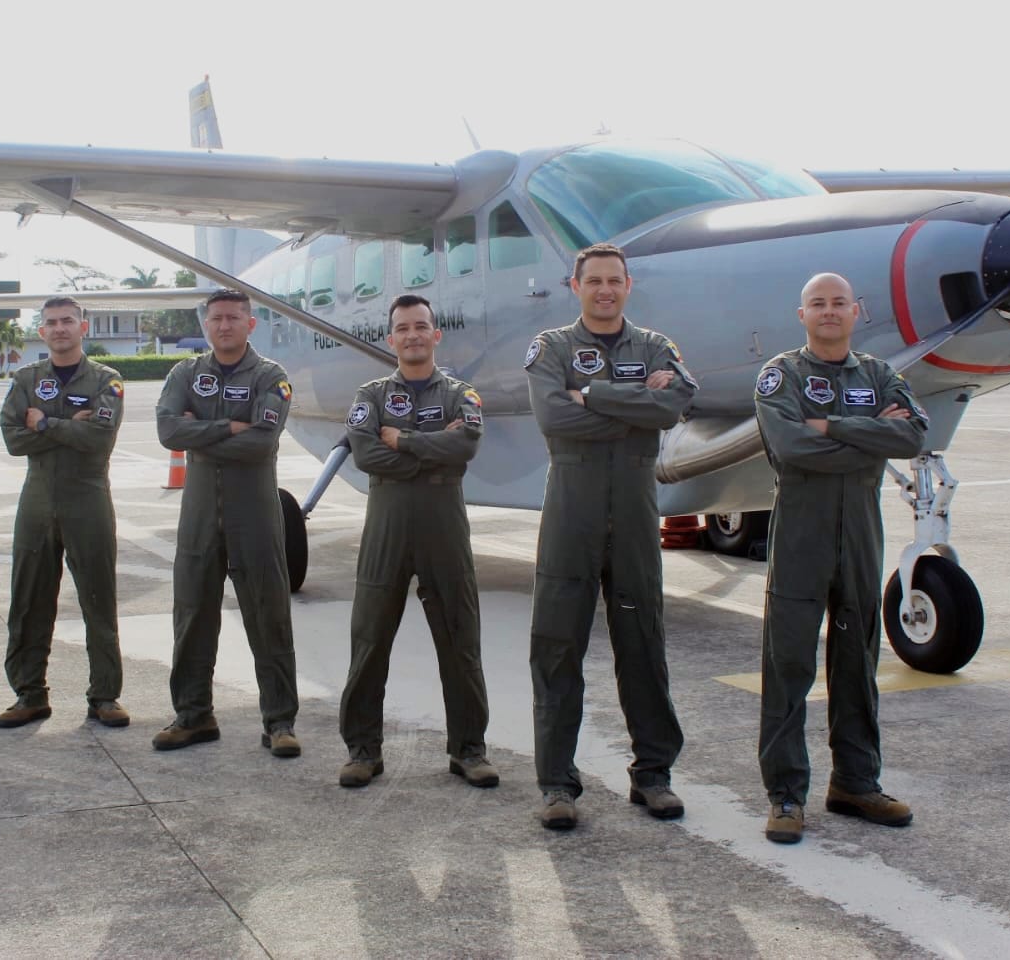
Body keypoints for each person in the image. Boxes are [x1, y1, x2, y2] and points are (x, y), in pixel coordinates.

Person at [525, 243, 695, 829]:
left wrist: (593, 394)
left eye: (614, 281)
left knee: (643, 643)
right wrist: (637, 402)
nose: (604, 290)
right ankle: (557, 784)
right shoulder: (552, 347)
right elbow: (554, 416)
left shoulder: (655, 346)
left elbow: (673, 406)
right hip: (571, 513)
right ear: (575, 287)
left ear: (628, 285)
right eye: (593, 281)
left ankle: (653, 776)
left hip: (634, 515)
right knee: (557, 646)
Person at [754, 272, 927, 844]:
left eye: (838, 303)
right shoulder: (782, 375)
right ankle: (785, 795)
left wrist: (829, 425)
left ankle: (856, 782)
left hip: (859, 533)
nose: (828, 311)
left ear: (856, 311)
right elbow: (791, 446)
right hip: (801, 532)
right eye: (817, 303)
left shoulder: (878, 375)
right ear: (801, 314)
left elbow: (912, 437)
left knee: (857, 659)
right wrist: (870, 434)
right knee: (789, 664)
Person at [337, 294, 494, 789]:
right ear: (391, 339)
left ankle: (469, 750)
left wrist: (402, 440)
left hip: (443, 521)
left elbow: (465, 445)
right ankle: (363, 750)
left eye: (421, 326)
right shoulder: (371, 395)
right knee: (369, 637)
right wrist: (434, 451)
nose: (412, 335)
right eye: (403, 328)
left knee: (460, 637)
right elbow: (365, 454)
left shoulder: (461, 394)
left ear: (436, 334)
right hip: (387, 520)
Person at [153, 289, 299, 756]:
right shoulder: (185, 374)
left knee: (268, 615)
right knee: (192, 613)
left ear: (250, 324)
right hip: (199, 517)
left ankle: (279, 721)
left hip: (253, 515)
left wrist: (199, 433)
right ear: (206, 324)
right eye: (216, 318)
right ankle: (193, 715)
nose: (224, 325)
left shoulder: (271, 377)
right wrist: (229, 426)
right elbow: (168, 430)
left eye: (234, 318)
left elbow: (261, 441)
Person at [0, 296, 129, 729]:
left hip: (87, 497)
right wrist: (73, 425)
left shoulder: (106, 380)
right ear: (41, 331)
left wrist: (43, 423)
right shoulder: (27, 379)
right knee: (29, 599)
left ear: (83, 328)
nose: (59, 329)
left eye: (67, 321)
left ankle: (104, 695)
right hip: (37, 499)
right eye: (51, 322)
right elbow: (13, 439)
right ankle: (29, 693)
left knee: (98, 598)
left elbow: (99, 438)